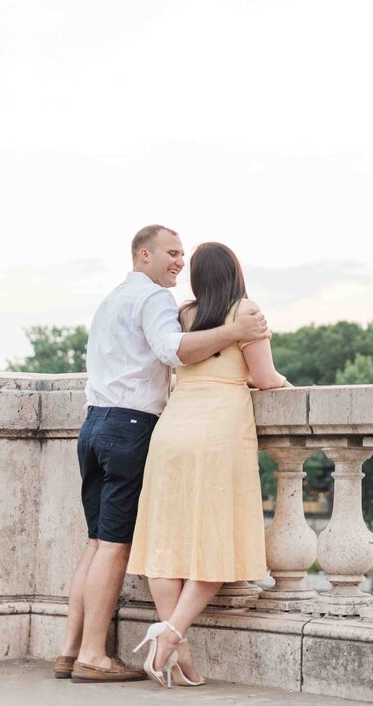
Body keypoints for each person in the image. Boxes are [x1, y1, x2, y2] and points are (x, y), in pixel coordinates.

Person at [59, 225, 270, 685]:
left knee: (96, 543)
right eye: (171, 253)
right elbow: (173, 352)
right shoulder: (155, 299)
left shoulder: (112, 299)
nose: (178, 262)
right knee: (114, 546)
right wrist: (236, 329)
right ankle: (94, 655)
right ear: (144, 255)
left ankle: (69, 649)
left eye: (183, 256)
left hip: (94, 421)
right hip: (130, 425)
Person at [126, 240, 289, 687]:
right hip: (218, 431)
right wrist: (283, 382)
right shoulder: (245, 311)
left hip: (172, 431)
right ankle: (169, 638)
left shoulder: (184, 314)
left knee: (166, 541)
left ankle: (180, 651)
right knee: (215, 545)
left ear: (196, 276)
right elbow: (263, 377)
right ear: (235, 272)